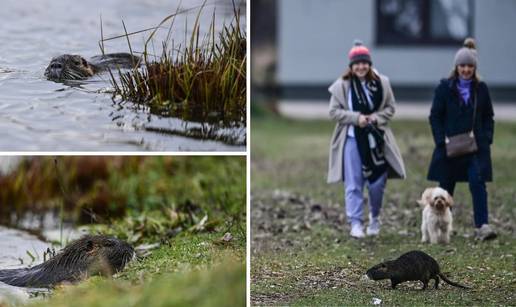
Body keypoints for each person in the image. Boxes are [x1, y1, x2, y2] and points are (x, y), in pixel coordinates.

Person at [327, 40, 406, 238]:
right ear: (351, 66)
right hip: (352, 139)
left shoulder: (382, 83)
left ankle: (375, 217)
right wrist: (356, 118)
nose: (361, 67)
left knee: (378, 182)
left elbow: (390, 108)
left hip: (377, 139)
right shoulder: (342, 86)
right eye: (357, 63)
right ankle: (355, 223)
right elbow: (334, 111)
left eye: (364, 63)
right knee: (353, 183)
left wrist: (375, 118)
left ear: (369, 64)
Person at [427, 38, 496, 241]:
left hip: (475, 147)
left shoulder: (481, 89)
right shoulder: (444, 88)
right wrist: (441, 141)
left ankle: (482, 225)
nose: (466, 69)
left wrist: (486, 139)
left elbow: (488, 116)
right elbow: (435, 116)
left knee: (478, 183)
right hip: (449, 148)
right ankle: (442, 225)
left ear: (474, 68)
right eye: (462, 65)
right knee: (445, 187)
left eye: (469, 66)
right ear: (456, 67)